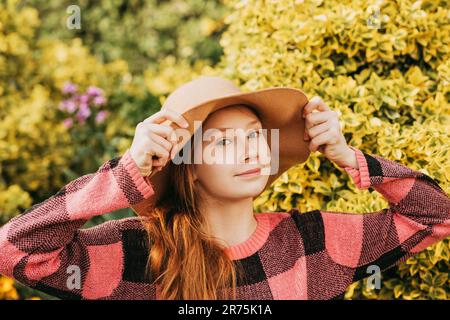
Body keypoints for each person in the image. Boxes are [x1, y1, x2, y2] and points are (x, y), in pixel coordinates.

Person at [0, 76, 449, 300]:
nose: (250, 151)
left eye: (255, 135)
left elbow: (437, 217)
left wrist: (348, 157)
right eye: (223, 142)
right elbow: (13, 250)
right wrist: (125, 172)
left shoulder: (314, 244)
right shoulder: (131, 253)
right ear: (188, 167)